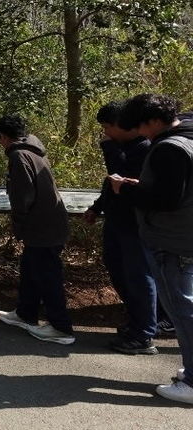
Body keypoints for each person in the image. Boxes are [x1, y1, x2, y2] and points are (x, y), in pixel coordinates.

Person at [114, 94, 193, 404]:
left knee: (182, 311)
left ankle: (192, 381)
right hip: (185, 235)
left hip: (172, 240)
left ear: (155, 122)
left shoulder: (169, 149)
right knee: (186, 306)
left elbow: (165, 201)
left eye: (142, 127)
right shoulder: (188, 135)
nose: (141, 135)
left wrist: (127, 189)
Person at [0, 114, 74, 345]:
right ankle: (25, 313)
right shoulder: (33, 149)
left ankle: (61, 328)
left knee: (48, 276)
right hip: (47, 223)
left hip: (42, 227)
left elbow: (22, 197)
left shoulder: (19, 156)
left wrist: (18, 224)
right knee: (30, 268)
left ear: (4, 137)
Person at [82, 101, 156, 355]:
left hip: (135, 225)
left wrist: (110, 149)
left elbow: (123, 180)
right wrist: (97, 207)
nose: (105, 133)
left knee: (139, 276)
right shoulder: (120, 145)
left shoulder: (146, 148)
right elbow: (111, 184)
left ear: (119, 125)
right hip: (116, 221)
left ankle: (144, 333)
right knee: (119, 271)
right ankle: (137, 322)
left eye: (106, 127)